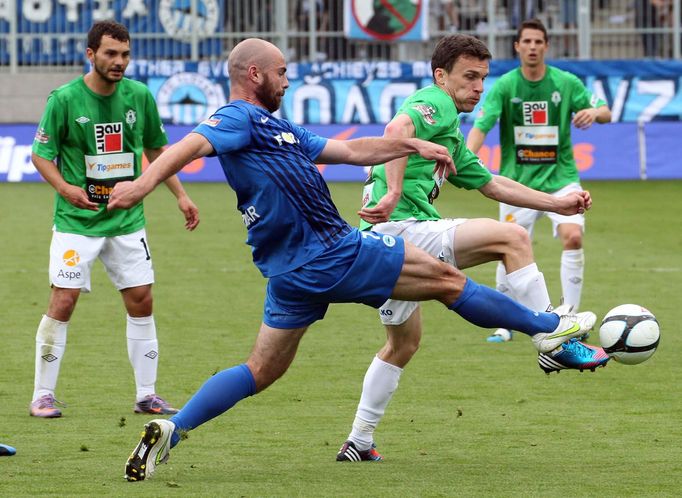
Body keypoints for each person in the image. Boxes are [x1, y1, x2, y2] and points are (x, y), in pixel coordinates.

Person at [109, 38, 593, 482]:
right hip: (332, 251)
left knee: (261, 369)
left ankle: (174, 428)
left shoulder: (282, 129)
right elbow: (191, 144)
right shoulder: (239, 118)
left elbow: (350, 150)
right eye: (281, 72)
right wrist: (141, 185)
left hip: (289, 271)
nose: (288, 79)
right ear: (254, 74)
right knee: (447, 280)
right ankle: (547, 327)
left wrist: (411, 146)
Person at [335, 33, 608, 463]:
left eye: (483, 77)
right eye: (469, 76)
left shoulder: (451, 135)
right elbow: (396, 131)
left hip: (382, 244)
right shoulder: (436, 101)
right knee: (513, 238)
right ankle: (553, 336)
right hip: (403, 230)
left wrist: (558, 202)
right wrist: (390, 193)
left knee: (402, 345)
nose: (478, 87)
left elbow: (493, 184)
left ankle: (359, 440)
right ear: (442, 75)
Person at [29, 21, 200, 418]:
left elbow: (159, 151)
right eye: (110, 53)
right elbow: (41, 154)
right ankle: (42, 394)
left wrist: (182, 195)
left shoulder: (139, 96)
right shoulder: (65, 99)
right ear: (91, 55)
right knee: (63, 300)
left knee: (142, 300)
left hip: (127, 221)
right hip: (76, 221)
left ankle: (146, 394)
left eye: (124, 54)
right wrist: (65, 189)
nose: (119, 61)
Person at [467, 18, 611, 343]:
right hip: (517, 185)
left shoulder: (566, 82)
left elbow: (606, 111)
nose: (532, 47)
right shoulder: (505, 86)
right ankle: (505, 324)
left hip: (562, 179)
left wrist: (594, 114)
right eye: (526, 42)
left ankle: (569, 318)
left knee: (572, 237)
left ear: (546, 46)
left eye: (538, 42)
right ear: (517, 46)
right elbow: (481, 127)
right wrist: (461, 160)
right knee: (507, 249)